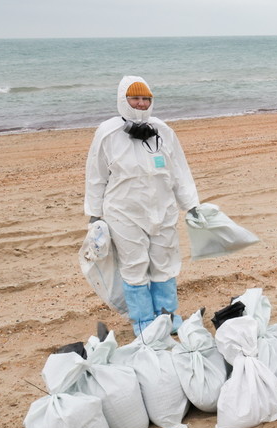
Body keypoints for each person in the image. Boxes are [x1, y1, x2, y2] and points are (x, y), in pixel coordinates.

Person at [84, 75, 200, 336]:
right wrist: (94, 213)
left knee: (165, 260)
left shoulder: (163, 131)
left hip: (164, 208)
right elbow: (96, 175)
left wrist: (191, 204)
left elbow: (180, 170)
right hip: (124, 212)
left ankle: (167, 315)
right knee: (134, 265)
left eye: (145, 98)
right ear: (123, 100)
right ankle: (143, 322)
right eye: (134, 98)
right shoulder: (108, 133)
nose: (140, 103)